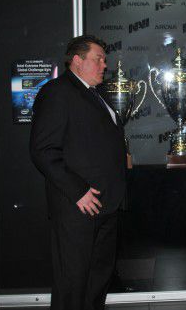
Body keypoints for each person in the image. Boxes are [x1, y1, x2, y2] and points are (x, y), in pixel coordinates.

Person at [30, 35, 126, 310]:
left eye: (104, 59)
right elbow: (43, 150)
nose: (104, 65)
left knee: (97, 281)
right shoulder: (57, 92)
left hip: (105, 205)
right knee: (72, 284)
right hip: (77, 207)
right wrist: (78, 191)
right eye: (98, 59)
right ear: (77, 61)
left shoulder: (95, 93)